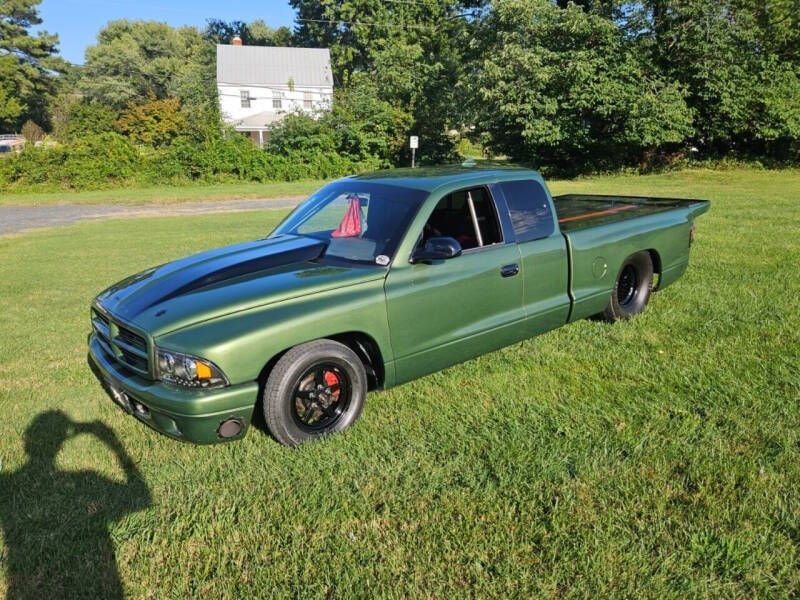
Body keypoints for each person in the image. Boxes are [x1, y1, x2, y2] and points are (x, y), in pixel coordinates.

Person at [0, 411, 151, 599]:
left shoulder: (7, 483)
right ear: (62, 442)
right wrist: (111, 441)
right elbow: (142, 496)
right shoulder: (86, 479)